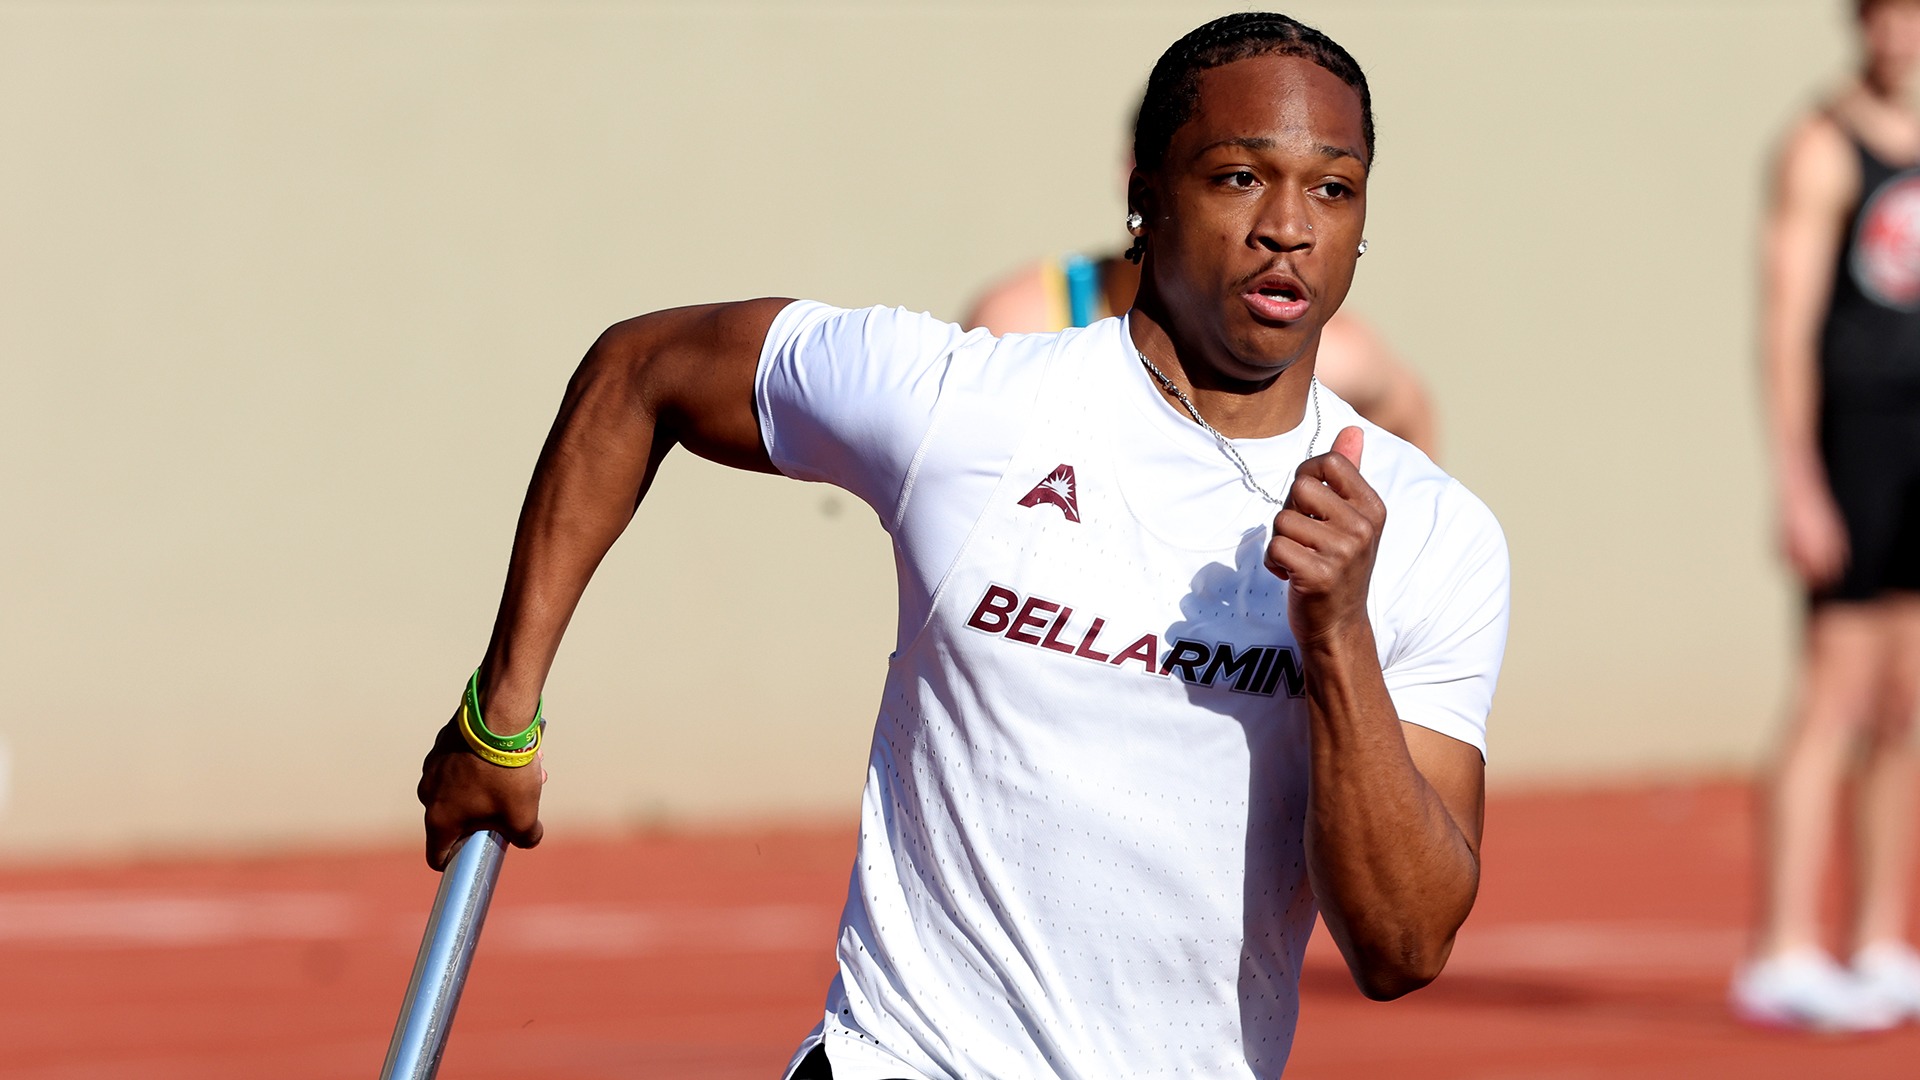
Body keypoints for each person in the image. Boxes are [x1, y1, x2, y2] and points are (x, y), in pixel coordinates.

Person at [416, 13, 1509, 1077]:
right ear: (1143, 201)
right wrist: (499, 716)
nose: (1289, 225)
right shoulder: (972, 404)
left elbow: (1401, 947)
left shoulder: (1427, 536)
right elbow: (638, 372)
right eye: (1237, 177)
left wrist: (1336, 638)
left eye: (1333, 187)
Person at [1736, 0, 1920, 1033]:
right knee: (1835, 691)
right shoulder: (1822, 146)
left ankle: (1880, 936)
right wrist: (1799, 476)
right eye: (1887, 15)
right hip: (1854, 447)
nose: (1903, 35)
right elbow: (1788, 323)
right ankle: (1780, 947)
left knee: (1906, 700)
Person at [965, 249, 1440, 456]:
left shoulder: (1331, 352)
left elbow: (1405, 410)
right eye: (1231, 176)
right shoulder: (1024, 321)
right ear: (1141, 184)